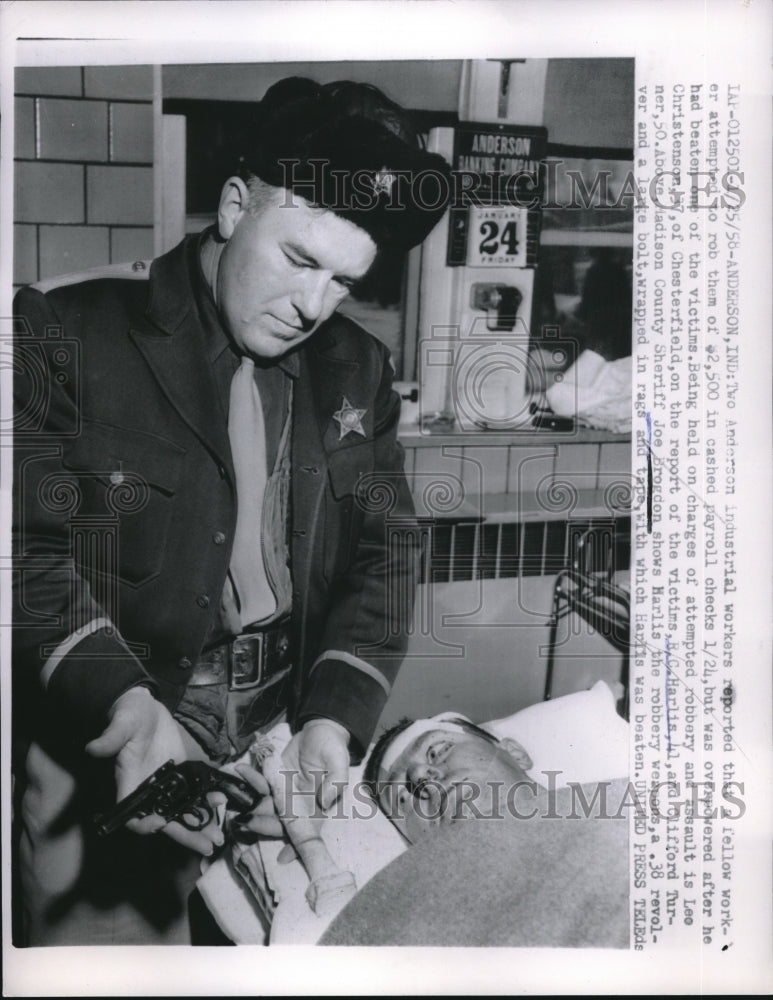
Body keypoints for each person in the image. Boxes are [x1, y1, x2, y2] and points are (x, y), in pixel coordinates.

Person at [12, 76, 452, 945]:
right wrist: (123, 704)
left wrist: (332, 713)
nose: (313, 306)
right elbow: (24, 550)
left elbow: (386, 549)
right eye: (298, 261)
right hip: (118, 721)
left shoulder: (354, 368)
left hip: (276, 734)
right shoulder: (67, 328)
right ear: (233, 203)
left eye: (343, 280)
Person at [314, 708, 630, 947]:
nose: (422, 776)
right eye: (402, 798)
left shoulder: (630, 812)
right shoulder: (404, 928)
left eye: (438, 751)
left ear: (515, 753)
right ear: (412, 841)